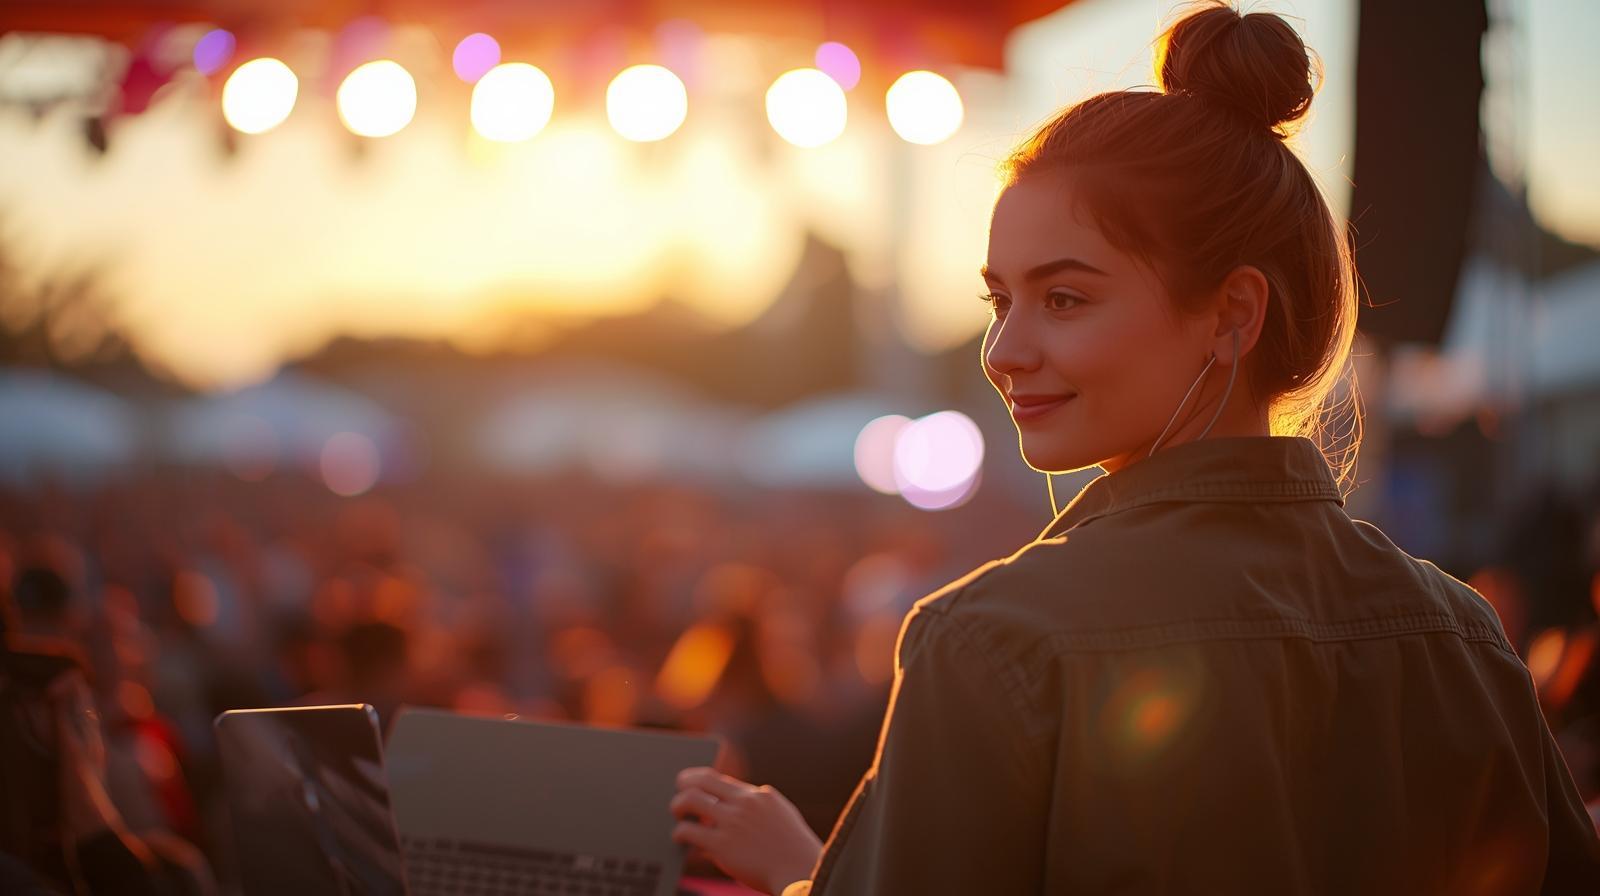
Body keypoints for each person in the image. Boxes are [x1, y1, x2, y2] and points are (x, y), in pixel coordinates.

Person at [667, 4, 1600, 893]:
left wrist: (803, 874)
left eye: (1064, 299)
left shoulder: (998, 640)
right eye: (1000, 301)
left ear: (1233, 314)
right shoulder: (1460, 638)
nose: (1004, 352)